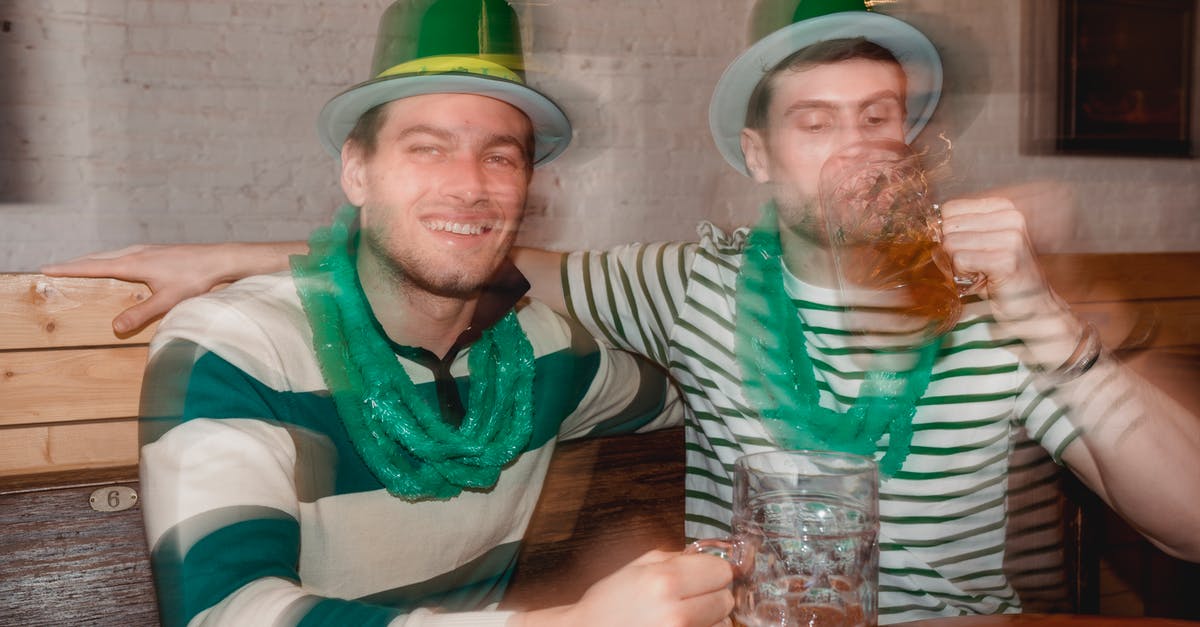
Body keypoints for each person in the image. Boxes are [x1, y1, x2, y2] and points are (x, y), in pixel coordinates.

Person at [46, 0, 1200, 623]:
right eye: (814, 121)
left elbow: (1189, 526)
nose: (855, 149)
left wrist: (1062, 330)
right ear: (757, 152)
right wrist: (225, 257)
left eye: (879, 116)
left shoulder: (996, 301)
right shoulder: (685, 285)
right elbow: (470, 249)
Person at [113, 1, 736, 625]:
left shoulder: (546, 350)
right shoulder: (239, 345)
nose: (469, 185)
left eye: (499, 156)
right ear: (357, 172)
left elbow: (690, 396)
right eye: (427, 149)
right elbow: (222, 613)